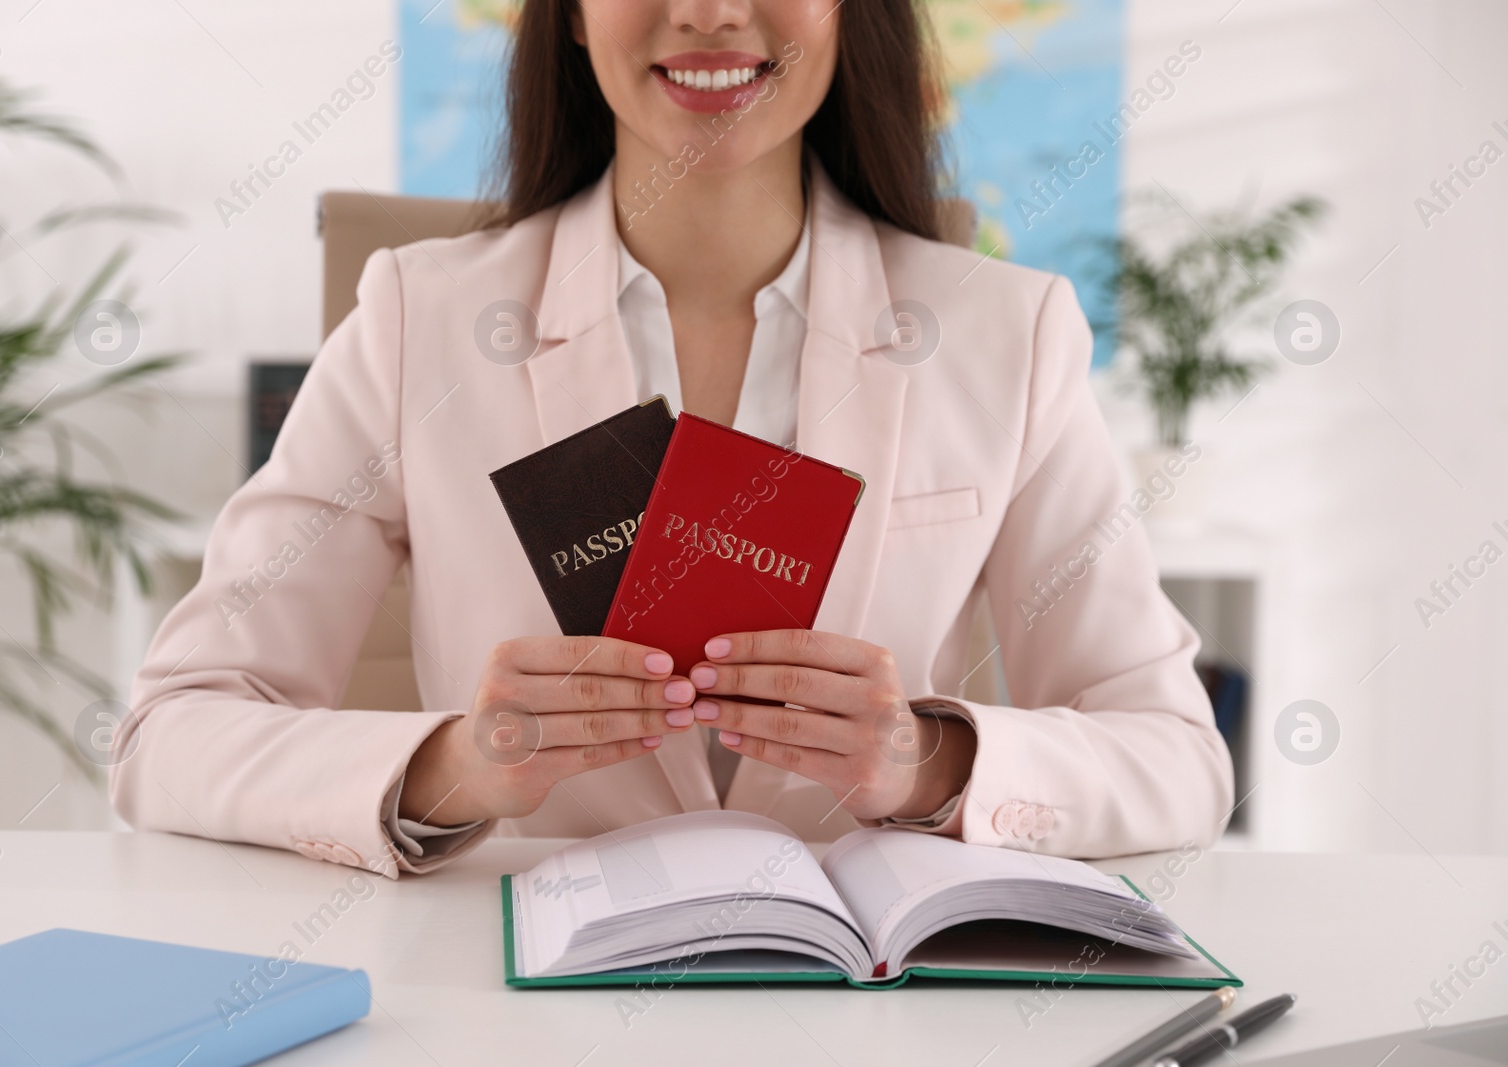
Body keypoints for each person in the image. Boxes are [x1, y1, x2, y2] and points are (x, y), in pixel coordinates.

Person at [111, 0, 1233, 878]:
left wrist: (922, 759)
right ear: (568, 11)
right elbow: (170, 733)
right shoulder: (420, 321)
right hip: (512, 989)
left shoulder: (1007, 333)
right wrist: (454, 764)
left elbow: (1177, 758)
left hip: (860, 1007)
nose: (708, 12)